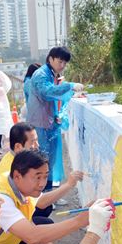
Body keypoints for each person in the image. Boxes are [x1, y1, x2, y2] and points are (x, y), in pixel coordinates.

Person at [0, 150, 85, 244]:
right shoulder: (2, 199)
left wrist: (69, 185)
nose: (42, 183)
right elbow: (32, 237)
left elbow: (41, 203)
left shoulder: (12, 179)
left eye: (45, 176)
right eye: (37, 177)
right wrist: (80, 220)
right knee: (37, 238)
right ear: (17, 176)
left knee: (43, 233)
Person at [26, 47, 84, 191]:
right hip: (40, 124)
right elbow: (48, 92)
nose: (62, 65)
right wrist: (69, 86)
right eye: (60, 61)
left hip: (49, 122)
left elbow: (53, 98)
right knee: (42, 162)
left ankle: (49, 195)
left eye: (65, 63)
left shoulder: (51, 73)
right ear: (51, 59)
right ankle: (42, 196)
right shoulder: (41, 75)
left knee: (50, 162)